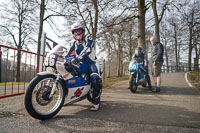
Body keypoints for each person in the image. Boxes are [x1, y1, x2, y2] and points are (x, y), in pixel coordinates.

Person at [66, 22, 101, 111]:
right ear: (73, 33)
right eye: (75, 32)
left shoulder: (88, 38)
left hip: (92, 62)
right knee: (70, 71)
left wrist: (79, 57)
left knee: (94, 78)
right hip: (81, 63)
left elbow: (88, 48)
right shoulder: (73, 43)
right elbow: (68, 53)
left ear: (83, 31)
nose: (77, 33)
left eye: (79, 31)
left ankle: (96, 102)